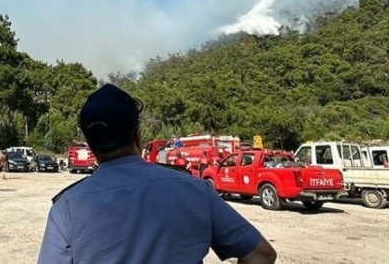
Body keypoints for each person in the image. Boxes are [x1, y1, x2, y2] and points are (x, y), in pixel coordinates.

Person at [37, 84, 277, 264]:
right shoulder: (194, 190)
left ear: (89, 145)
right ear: (138, 135)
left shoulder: (67, 207)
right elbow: (262, 255)